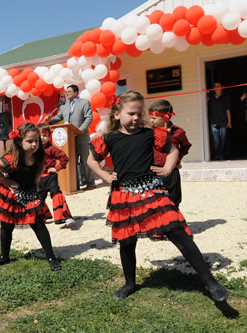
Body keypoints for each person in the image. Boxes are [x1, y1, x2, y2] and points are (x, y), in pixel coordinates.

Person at [87, 90, 228, 301]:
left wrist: (169, 169)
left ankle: (210, 282)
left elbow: (173, 150)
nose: (136, 118)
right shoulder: (109, 139)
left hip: (152, 191)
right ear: (116, 114)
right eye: (130, 113)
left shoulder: (150, 134)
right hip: (124, 195)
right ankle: (129, 283)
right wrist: (105, 176)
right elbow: (91, 160)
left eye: (139, 113)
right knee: (127, 241)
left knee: (177, 231)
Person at [0, 122, 61, 271]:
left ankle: (51, 257)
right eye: (30, 141)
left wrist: (37, 180)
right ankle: (4, 256)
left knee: (39, 225)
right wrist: (4, 180)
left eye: (37, 140)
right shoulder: (12, 158)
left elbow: (41, 167)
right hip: (13, 196)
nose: (34, 144)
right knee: (7, 226)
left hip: (31, 194)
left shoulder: (39, 156)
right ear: (20, 141)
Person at [45, 84, 95, 192]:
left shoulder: (84, 103)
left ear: (76, 93)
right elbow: (58, 118)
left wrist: (80, 130)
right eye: (66, 92)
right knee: (72, 161)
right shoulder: (64, 105)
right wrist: (50, 120)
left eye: (69, 91)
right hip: (69, 139)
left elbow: (88, 118)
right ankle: (74, 184)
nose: (67, 93)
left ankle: (90, 183)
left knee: (85, 160)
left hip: (81, 136)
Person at [149, 100, 192, 207]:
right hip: (155, 171)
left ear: (166, 117)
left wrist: (177, 160)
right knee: (155, 201)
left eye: (154, 118)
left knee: (174, 199)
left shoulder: (178, 132)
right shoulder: (149, 133)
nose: (151, 120)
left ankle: (174, 221)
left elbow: (185, 146)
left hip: (172, 172)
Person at [36, 123, 75, 227]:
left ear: (49, 137)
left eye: (45, 135)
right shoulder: (33, 149)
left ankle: (64, 216)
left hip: (50, 177)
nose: (42, 138)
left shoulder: (52, 149)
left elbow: (64, 158)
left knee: (56, 194)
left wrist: (56, 168)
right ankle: (41, 217)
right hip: (39, 179)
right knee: (39, 198)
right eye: (40, 135)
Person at [207, 82, 232, 160]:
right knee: (216, 141)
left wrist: (229, 121)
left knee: (222, 139)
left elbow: (228, 110)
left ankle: (220, 155)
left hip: (223, 122)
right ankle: (218, 154)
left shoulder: (225, 97)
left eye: (218, 86)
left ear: (222, 87)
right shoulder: (210, 97)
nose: (216, 88)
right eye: (215, 86)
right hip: (213, 122)